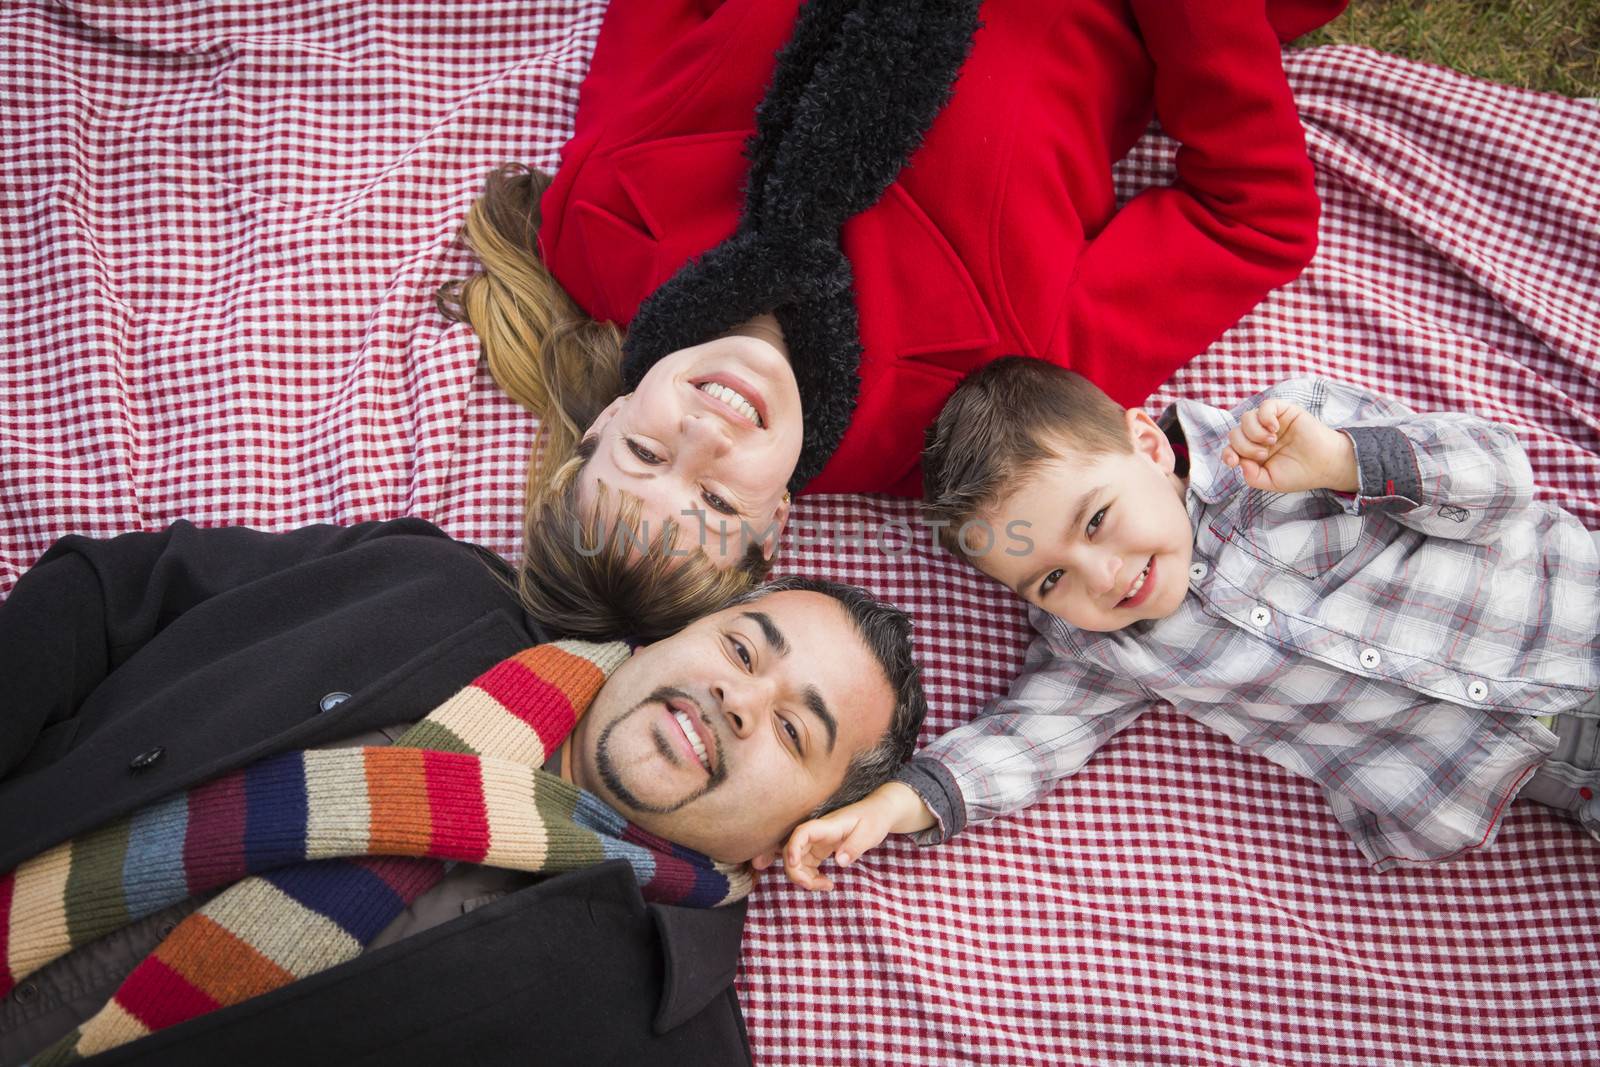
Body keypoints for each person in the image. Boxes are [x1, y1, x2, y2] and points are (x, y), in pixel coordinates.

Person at [441, 0, 1345, 573]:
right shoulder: (987, 404)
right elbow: (1251, 215)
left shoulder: (596, 228)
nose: (702, 440)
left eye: (643, 456)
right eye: (717, 503)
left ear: (603, 424)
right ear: (776, 524)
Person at [0, 519, 925, 1065]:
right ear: (667, 638)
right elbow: (115, 593)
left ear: (787, 841)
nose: (738, 697)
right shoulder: (429, 586)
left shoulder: (662, 1041)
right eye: (740, 647)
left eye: (795, 730)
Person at [773, 358, 1600, 891]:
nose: (1101, 576)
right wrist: (891, 808)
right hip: (1526, 771)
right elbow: (1028, 737)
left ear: (1146, 442)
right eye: (1051, 577)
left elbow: (1499, 477)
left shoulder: (1287, 441)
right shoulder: (1101, 646)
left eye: (1096, 519)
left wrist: (1346, 460)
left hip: (1571, 614)